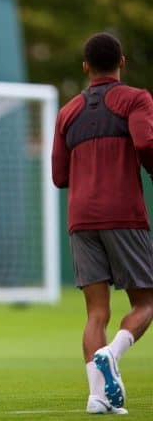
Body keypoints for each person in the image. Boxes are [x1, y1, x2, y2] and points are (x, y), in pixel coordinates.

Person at [52, 32, 153, 415]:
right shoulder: (136, 99)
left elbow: (59, 177)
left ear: (85, 68)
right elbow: (145, 143)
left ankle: (97, 397)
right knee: (146, 301)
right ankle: (113, 353)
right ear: (122, 62)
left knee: (96, 313)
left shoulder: (67, 112)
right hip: (124, 214)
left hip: (81, 219)